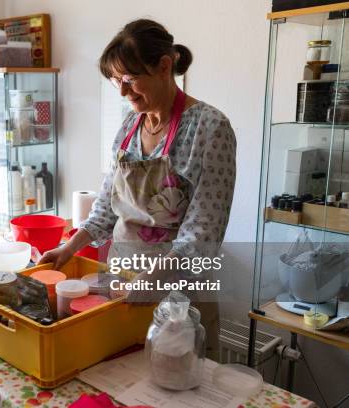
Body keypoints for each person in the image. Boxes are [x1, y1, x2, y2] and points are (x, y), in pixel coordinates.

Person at [39, 19, 236, 360]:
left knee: (175, 382)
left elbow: (204, 229)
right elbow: (106, 204)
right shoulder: (130, 125)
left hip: (178, 290)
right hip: (122, 280)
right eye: (116, 81)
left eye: (129, 80)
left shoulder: (210, 128)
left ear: (163, 66)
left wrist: (154, 278)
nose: (122, 92)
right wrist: (69, 248)